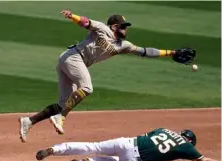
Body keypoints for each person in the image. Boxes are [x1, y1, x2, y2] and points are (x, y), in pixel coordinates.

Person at [19, 10, 196, 142]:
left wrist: (171, 52)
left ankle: (29, 121)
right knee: (87, 87)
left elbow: (145, 51)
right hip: (72, 57)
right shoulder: (102, 29)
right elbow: (86, 22)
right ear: (114, 26)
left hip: (72, 62)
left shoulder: (123, 45)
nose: (126, 29)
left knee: (63, 102)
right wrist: (72, 16)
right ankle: (61, 117)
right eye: (124, 27)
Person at [36, 128, 221, 161]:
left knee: (92, 145)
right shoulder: (187, 148)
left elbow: (148, 137)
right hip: (133, 159)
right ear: (189, 141)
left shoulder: (165, 130)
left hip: (126, 141)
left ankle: (55, 149)